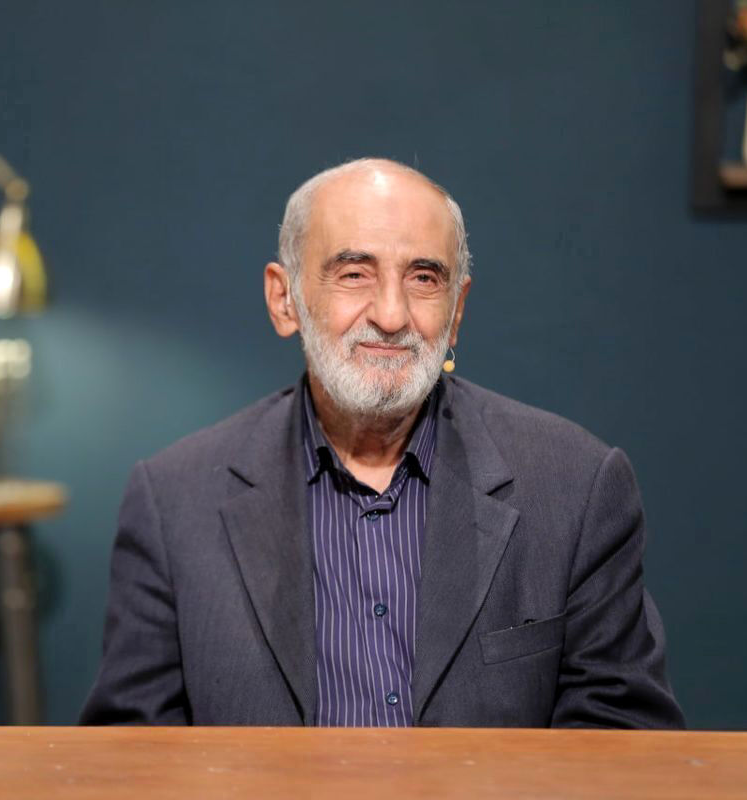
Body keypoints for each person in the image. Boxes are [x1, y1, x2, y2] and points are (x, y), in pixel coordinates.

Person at [80, 158, 684, 728]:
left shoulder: (575, 487)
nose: (392, 315)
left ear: (456, 311)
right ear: (284, 299)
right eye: (354, 274)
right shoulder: (174, 501)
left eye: (424, 278)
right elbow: (133, 759)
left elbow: (621, 743)